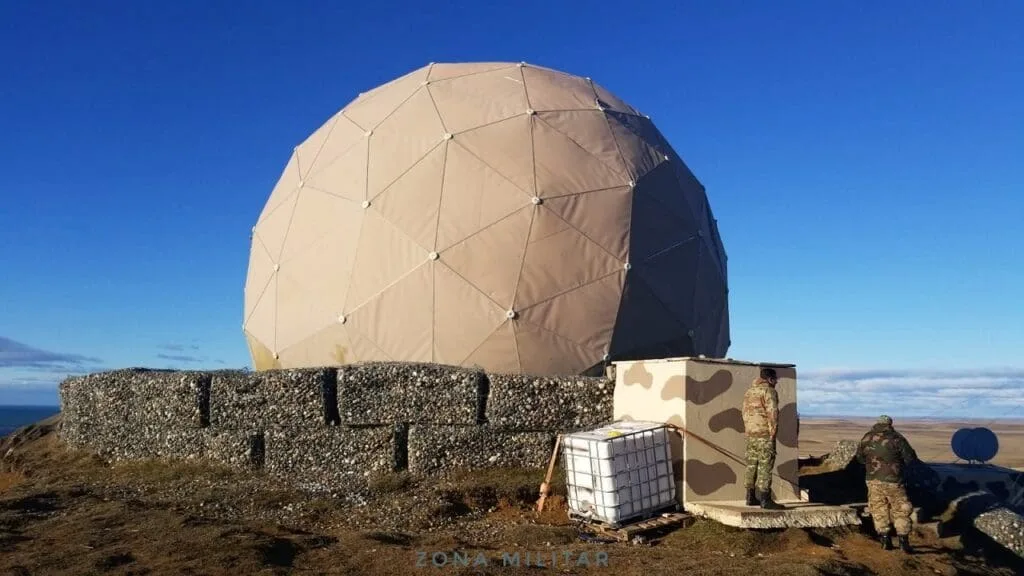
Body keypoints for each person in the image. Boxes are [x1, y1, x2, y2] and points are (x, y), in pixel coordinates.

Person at [855, 415, 919, 552]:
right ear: (890, 424)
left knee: (878, 508)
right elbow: (910, 458)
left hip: (873, 480)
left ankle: (885, 540)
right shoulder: (897, 438)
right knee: (901, 509)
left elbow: (859, 458)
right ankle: (903, 542)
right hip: (894, 481)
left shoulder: (866, 438)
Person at [741, 367, 782, 509]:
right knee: (765, 466)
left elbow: (744, 413)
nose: (776, 382)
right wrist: (773, 434)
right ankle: (765, 500)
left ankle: (750, 497)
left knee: (751, 465)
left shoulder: (749, 392)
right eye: (775, 379)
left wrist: (748, 431)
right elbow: (773, 414)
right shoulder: (769, 391)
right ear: (770, 379)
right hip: (764, 435)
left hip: (751, 435)